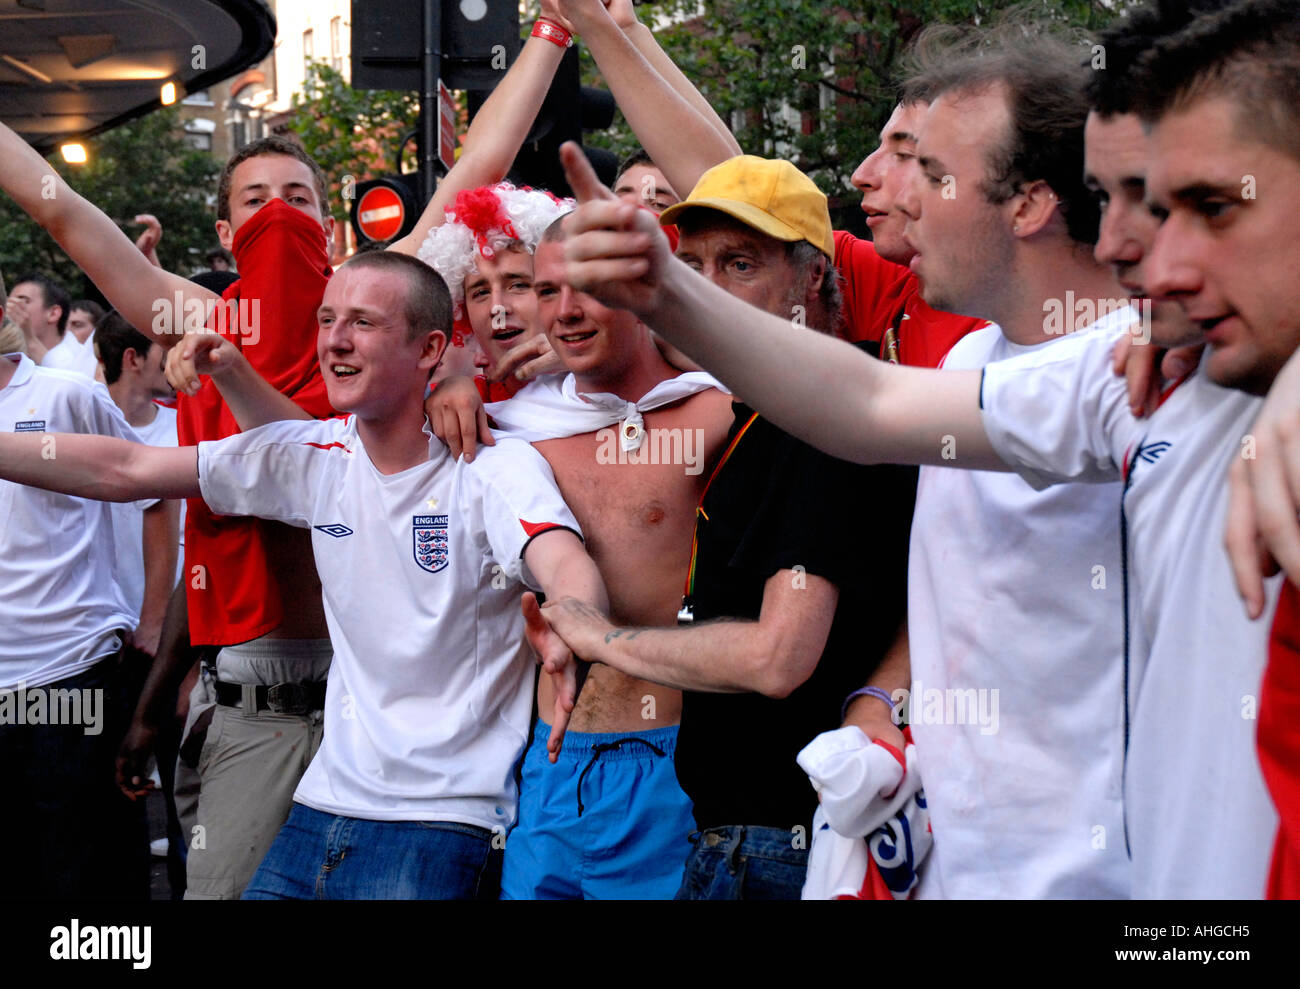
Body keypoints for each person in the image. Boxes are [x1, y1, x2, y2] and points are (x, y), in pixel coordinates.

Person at [555, 0, 1297, 898]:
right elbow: (865, 403)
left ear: (1028, 202)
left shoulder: (1178, 360)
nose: (1140, 249)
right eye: (1135, 200)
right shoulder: (1111, 374)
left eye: (1209, 207)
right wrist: (665, 290)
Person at [0, 249, 608, 899]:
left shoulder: (490, 463)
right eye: (327, 319)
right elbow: (124, 469)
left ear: (430, 347)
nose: (336, 340)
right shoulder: (319, 456)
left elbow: (561, 558)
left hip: (444, 820)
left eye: (363, 322)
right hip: (319, 807)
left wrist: (573, 619)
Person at [533, 156, 915, 900]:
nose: (707, 289)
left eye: (740, 263)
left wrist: (601, 637)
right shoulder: (778, 411)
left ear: (814, 280)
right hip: (757, 838)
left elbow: (779, 655)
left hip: (775, 846)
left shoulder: (818, 416)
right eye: (693, 264)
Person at [0, 269, 151, 899]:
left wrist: (155, 619)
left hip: (69, 672)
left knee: (86, 880)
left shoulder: (66, 396)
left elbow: (152, 490)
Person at [6, 272, 69, 366]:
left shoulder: (81, 359)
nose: (10, 309)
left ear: (53, 313)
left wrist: (29, 339)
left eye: (23, 301)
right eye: (9, 301)